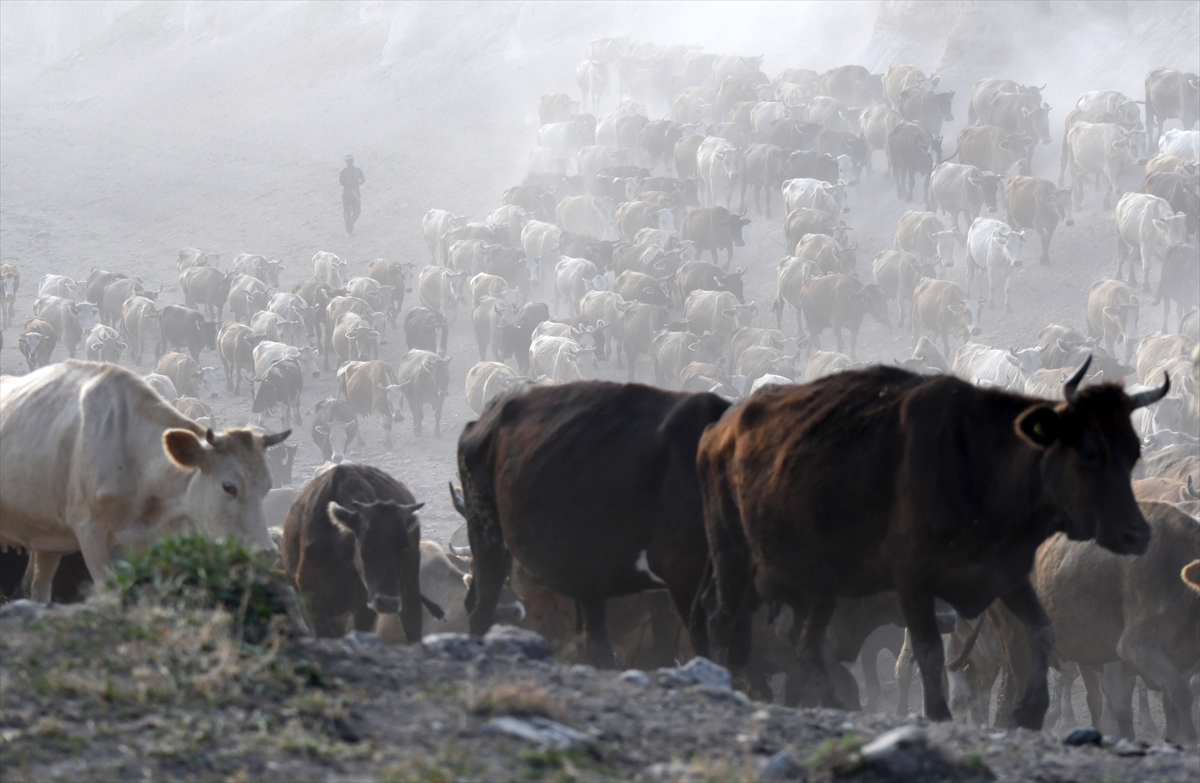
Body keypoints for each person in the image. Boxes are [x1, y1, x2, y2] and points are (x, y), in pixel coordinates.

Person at [340, 154, 365, 234]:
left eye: (351, 160)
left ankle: (350, 223)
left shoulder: (358, 170)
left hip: (356, 195)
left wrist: (357, 183)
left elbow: (363, 180)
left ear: (353, 161)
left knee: (357, 212)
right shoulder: (343, 171)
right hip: (346, 195)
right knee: (347, 213)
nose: (350, 162)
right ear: (346, 161)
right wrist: (348, 183)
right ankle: (349, 230)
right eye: (348, 160)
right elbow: (341, 182)